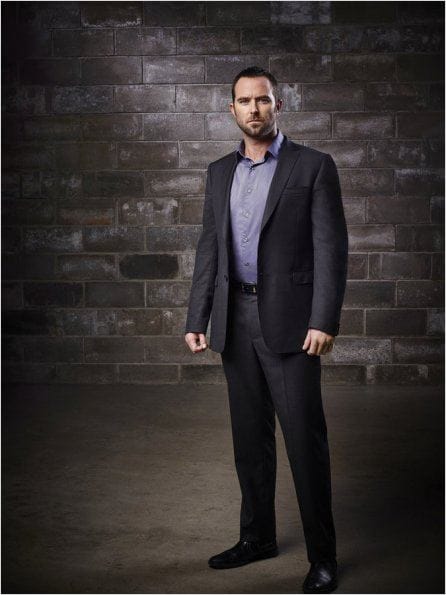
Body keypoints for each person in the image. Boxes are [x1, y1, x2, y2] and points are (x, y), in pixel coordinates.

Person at [184, 66, 348, 594]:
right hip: (234, 321)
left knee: (304, 443)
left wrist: (323, 319)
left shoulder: (313, 166)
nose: (253, 109)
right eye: (244, 101)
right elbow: (210, 249)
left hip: (293, 326)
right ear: (231, 109)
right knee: (249, 443)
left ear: (278, 104)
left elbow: (331, 249)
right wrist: (197, 317)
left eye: (262, 99)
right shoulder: (218, 173)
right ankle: (256, 538)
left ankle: (323, 558)